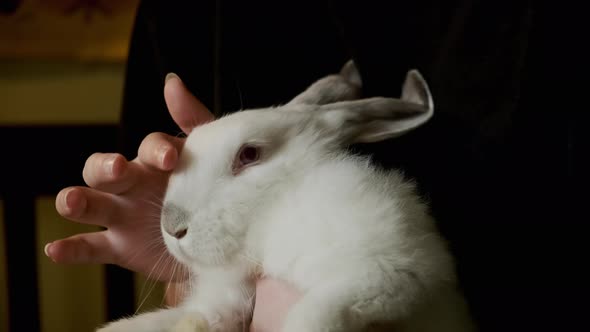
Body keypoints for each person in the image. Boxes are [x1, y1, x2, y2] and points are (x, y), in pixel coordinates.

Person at [44, 1, 558, 331]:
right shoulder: (193, 17)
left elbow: (406, 270)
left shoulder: (348, 197)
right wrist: (187, 265)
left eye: (247, 157)